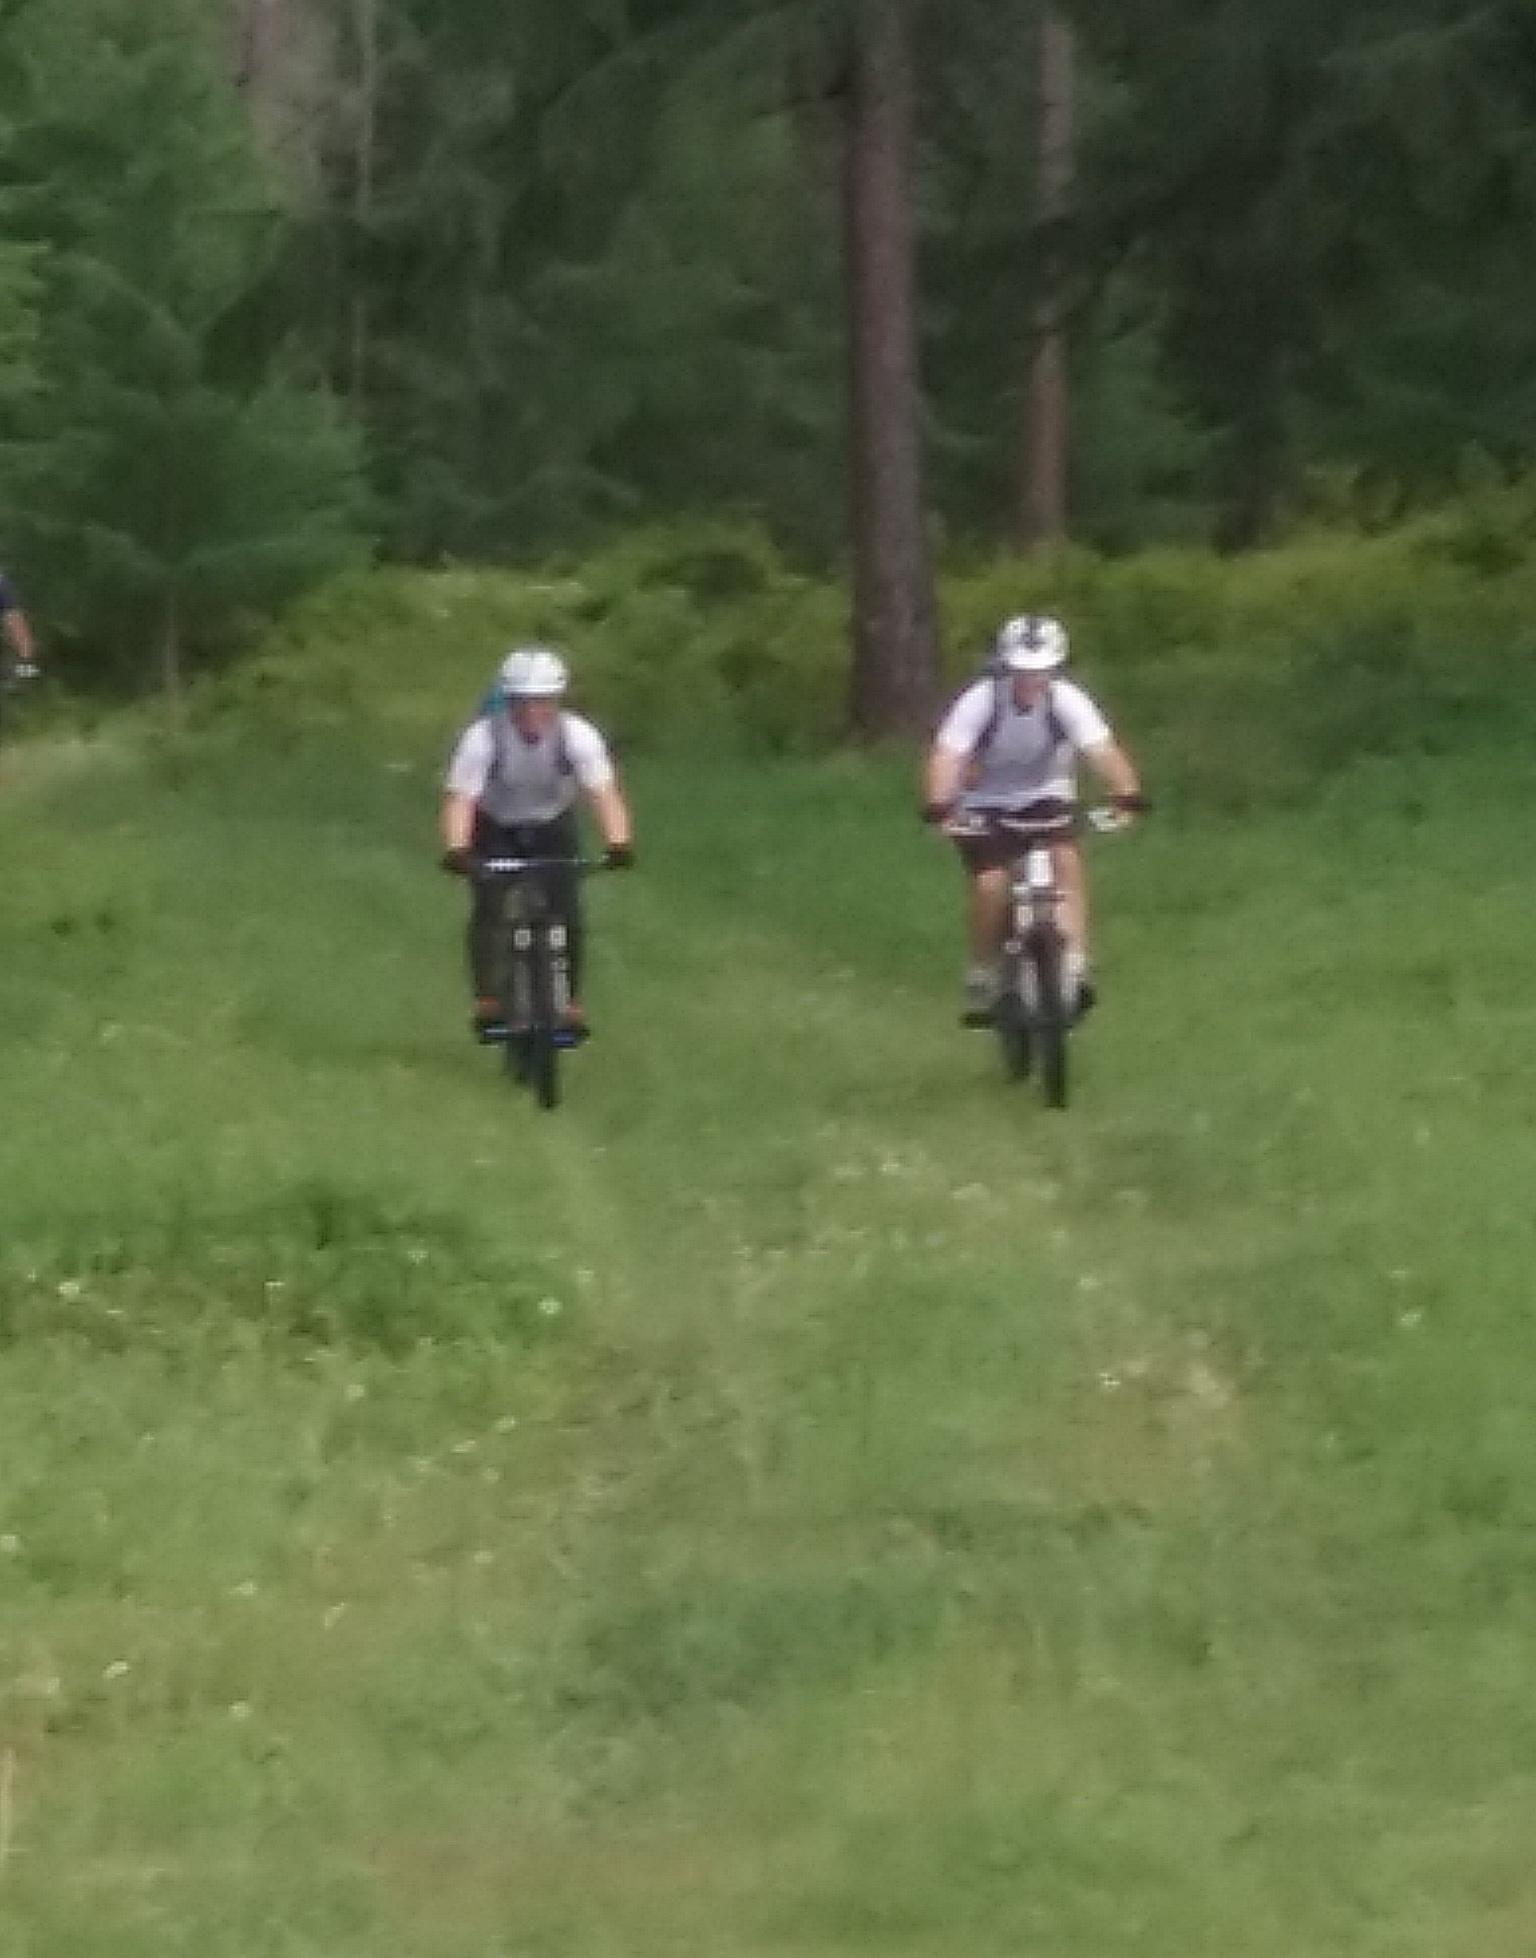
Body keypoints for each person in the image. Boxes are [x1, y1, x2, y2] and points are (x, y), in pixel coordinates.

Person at [922, 613, 1144, 1024]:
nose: (1031, 679)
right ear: (1008, 666)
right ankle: (983, 973)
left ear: (1054, 668)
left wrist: (1126, 794)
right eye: (1023, 670)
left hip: (1045, 796)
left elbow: (1101, 749)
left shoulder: (1066, 700)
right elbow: (948, 755)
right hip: (983, 803)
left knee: (1066, 861)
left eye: (1040, 671)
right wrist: (939, 807)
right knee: (991, 884)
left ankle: (1074, 967)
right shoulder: (981, 700)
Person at [440, 645, 633, 1040]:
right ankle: (488, 999)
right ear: (508, 703)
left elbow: (603, 792)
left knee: (567, 911)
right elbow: (461, 799)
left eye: (542, 703)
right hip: (495, 825)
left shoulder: (577, 736)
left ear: (556, 702)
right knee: (489, 909)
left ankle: (571, 1003)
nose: (533, 713)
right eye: (523, 704)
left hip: (551, 824)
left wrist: (618, 842)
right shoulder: (482, 739)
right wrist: (458, 849)